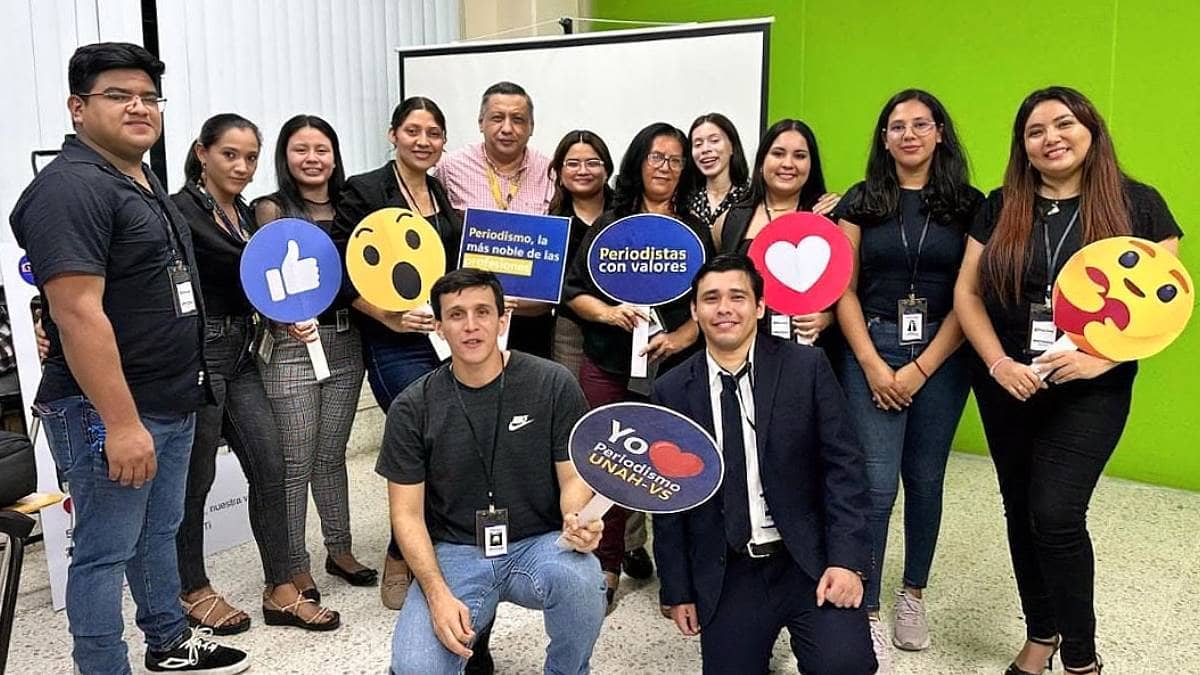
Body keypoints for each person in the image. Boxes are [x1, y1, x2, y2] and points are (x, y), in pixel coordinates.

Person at [10, 42, 248, 673]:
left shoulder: (133, 178)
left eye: (148, 96)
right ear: (78, 108)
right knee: (104, 550)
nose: (139, 107)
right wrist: (120, 422)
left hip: (168, 399)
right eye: (118, 95)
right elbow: (77, 312)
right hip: (108, 411)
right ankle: (102, 665)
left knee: (155, 534)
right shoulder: (70, 189)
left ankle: (168, 642)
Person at [953, 86, 1183, 675]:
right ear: (1022, 146)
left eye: (1063, 124)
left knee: (1055, 513)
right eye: (1035, 131)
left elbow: (1165, 306)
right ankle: (1041, 633)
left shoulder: (1139, 204)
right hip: (1010, 381)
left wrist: (1101, 359)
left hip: (1091, 387)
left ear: (1091, 129)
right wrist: (999, 365)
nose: (1051, 138)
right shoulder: (1001, 204)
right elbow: (967, 294)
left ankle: (1081, 655)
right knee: (1018, 507)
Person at [653, 254, 876, 675]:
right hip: (730, 567)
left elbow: (845, 470)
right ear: (694, 311)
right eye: (711, 298)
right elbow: (669, 504)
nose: (723, 308)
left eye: (737, 297)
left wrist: (847, 562)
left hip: (807, 559)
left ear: (758, 307)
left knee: (846, 665)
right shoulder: (670, 391)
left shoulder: (806, 367)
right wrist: (677, 589)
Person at [377, 268, 606, 675]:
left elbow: (571, 476)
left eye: (483, 312)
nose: (470, 326)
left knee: (584, 579)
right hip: (456, 550)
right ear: (439, 327)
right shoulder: (412, 406)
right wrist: (435, 593)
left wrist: (575, 517)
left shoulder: (552, 383)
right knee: (416, 668)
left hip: (538, 543)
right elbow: (405, 515)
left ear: (503, 320)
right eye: (456, 315)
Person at [832, 90, 983, 666]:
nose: (909, 134)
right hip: (870, 344)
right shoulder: (862, 200)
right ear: (884, 137)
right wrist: (874, 363)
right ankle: (865, 605)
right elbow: (841, 289)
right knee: (874, 485)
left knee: (925, 480)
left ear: (940, 132)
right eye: (896, 126)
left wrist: (919, 369)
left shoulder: (971, 204)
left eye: (921, 124)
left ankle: (912, 593)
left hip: (943, 353)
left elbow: (970, 297)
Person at [172, 114, 340, 632]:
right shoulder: (181, 212)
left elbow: (258, 280)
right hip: (200, 355)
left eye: (249, 157)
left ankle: (280, 587)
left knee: (272, 466)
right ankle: (192, 589)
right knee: (193, 484)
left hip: (245, 352)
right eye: (230, 155)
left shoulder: (245, 213)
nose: (242, 166)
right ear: (202, 153)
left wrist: (280, 314)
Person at [563, 121, 711, 607]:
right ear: (638, 163)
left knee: (669, 472)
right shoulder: (611, 224)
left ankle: (679, 579)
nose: (665, 167)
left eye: (674, 159)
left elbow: (708, 305)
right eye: (656, 157)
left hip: (674, 371)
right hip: (607, 363)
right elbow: (573, 291)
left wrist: (682, 336)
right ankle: (605, 566)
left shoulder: (694, 230)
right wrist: (607, 313)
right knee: (602, 466)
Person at [334, 96, 463, 612]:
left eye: (434, 132)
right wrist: (385, 315)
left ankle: (419, 546)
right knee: (422, 434)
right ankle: (400, 553)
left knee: (449, 439)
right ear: (393, 134)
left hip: (441, 337)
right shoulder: (365, 190)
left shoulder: (441, 191)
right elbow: (341, 269)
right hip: (392, 341)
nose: (423, 140)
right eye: (413, 130)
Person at [254, 115, 374, 603]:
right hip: (291, 347)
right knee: (294, 462)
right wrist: (280, 320)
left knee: (331, 455)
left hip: (347, 343)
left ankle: (338, 549)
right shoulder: (270, 209)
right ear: (286, 156)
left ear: (335, 154)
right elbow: (259, 277)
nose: (312, 159)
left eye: (321, 149)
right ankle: (292, 566)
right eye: (300, 149)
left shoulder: (353, 206)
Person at [435, 81, 557, 359]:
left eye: (518, 119)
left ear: (531, 126)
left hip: (531, 315)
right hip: (471, 316)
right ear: (481, 122)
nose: (507, 128)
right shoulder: (450, 168)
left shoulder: (550, 171)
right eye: (497, 118)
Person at [713, 118, 842, 346]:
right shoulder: (730, 220)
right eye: (778, 153)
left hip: (809, 351)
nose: (788, 164)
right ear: (762, 160)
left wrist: (828, 318)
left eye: (800, 156)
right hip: (744, 349)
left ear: (812, 165)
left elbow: (851, 290)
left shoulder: (830, 218)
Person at [547, 129, 615, 379]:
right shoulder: (550, 224)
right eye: (573, 163)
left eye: (592, 163)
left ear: (607, 169)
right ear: (560, 173)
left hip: (622, 324)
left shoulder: (627, 216)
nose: (583, 170)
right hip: (570, 327)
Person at [685, 112, 750, 228]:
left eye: (714, 141)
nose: (705, 149)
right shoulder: (685, 199)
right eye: (698, 144)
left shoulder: (750, 196)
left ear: (732, 147)